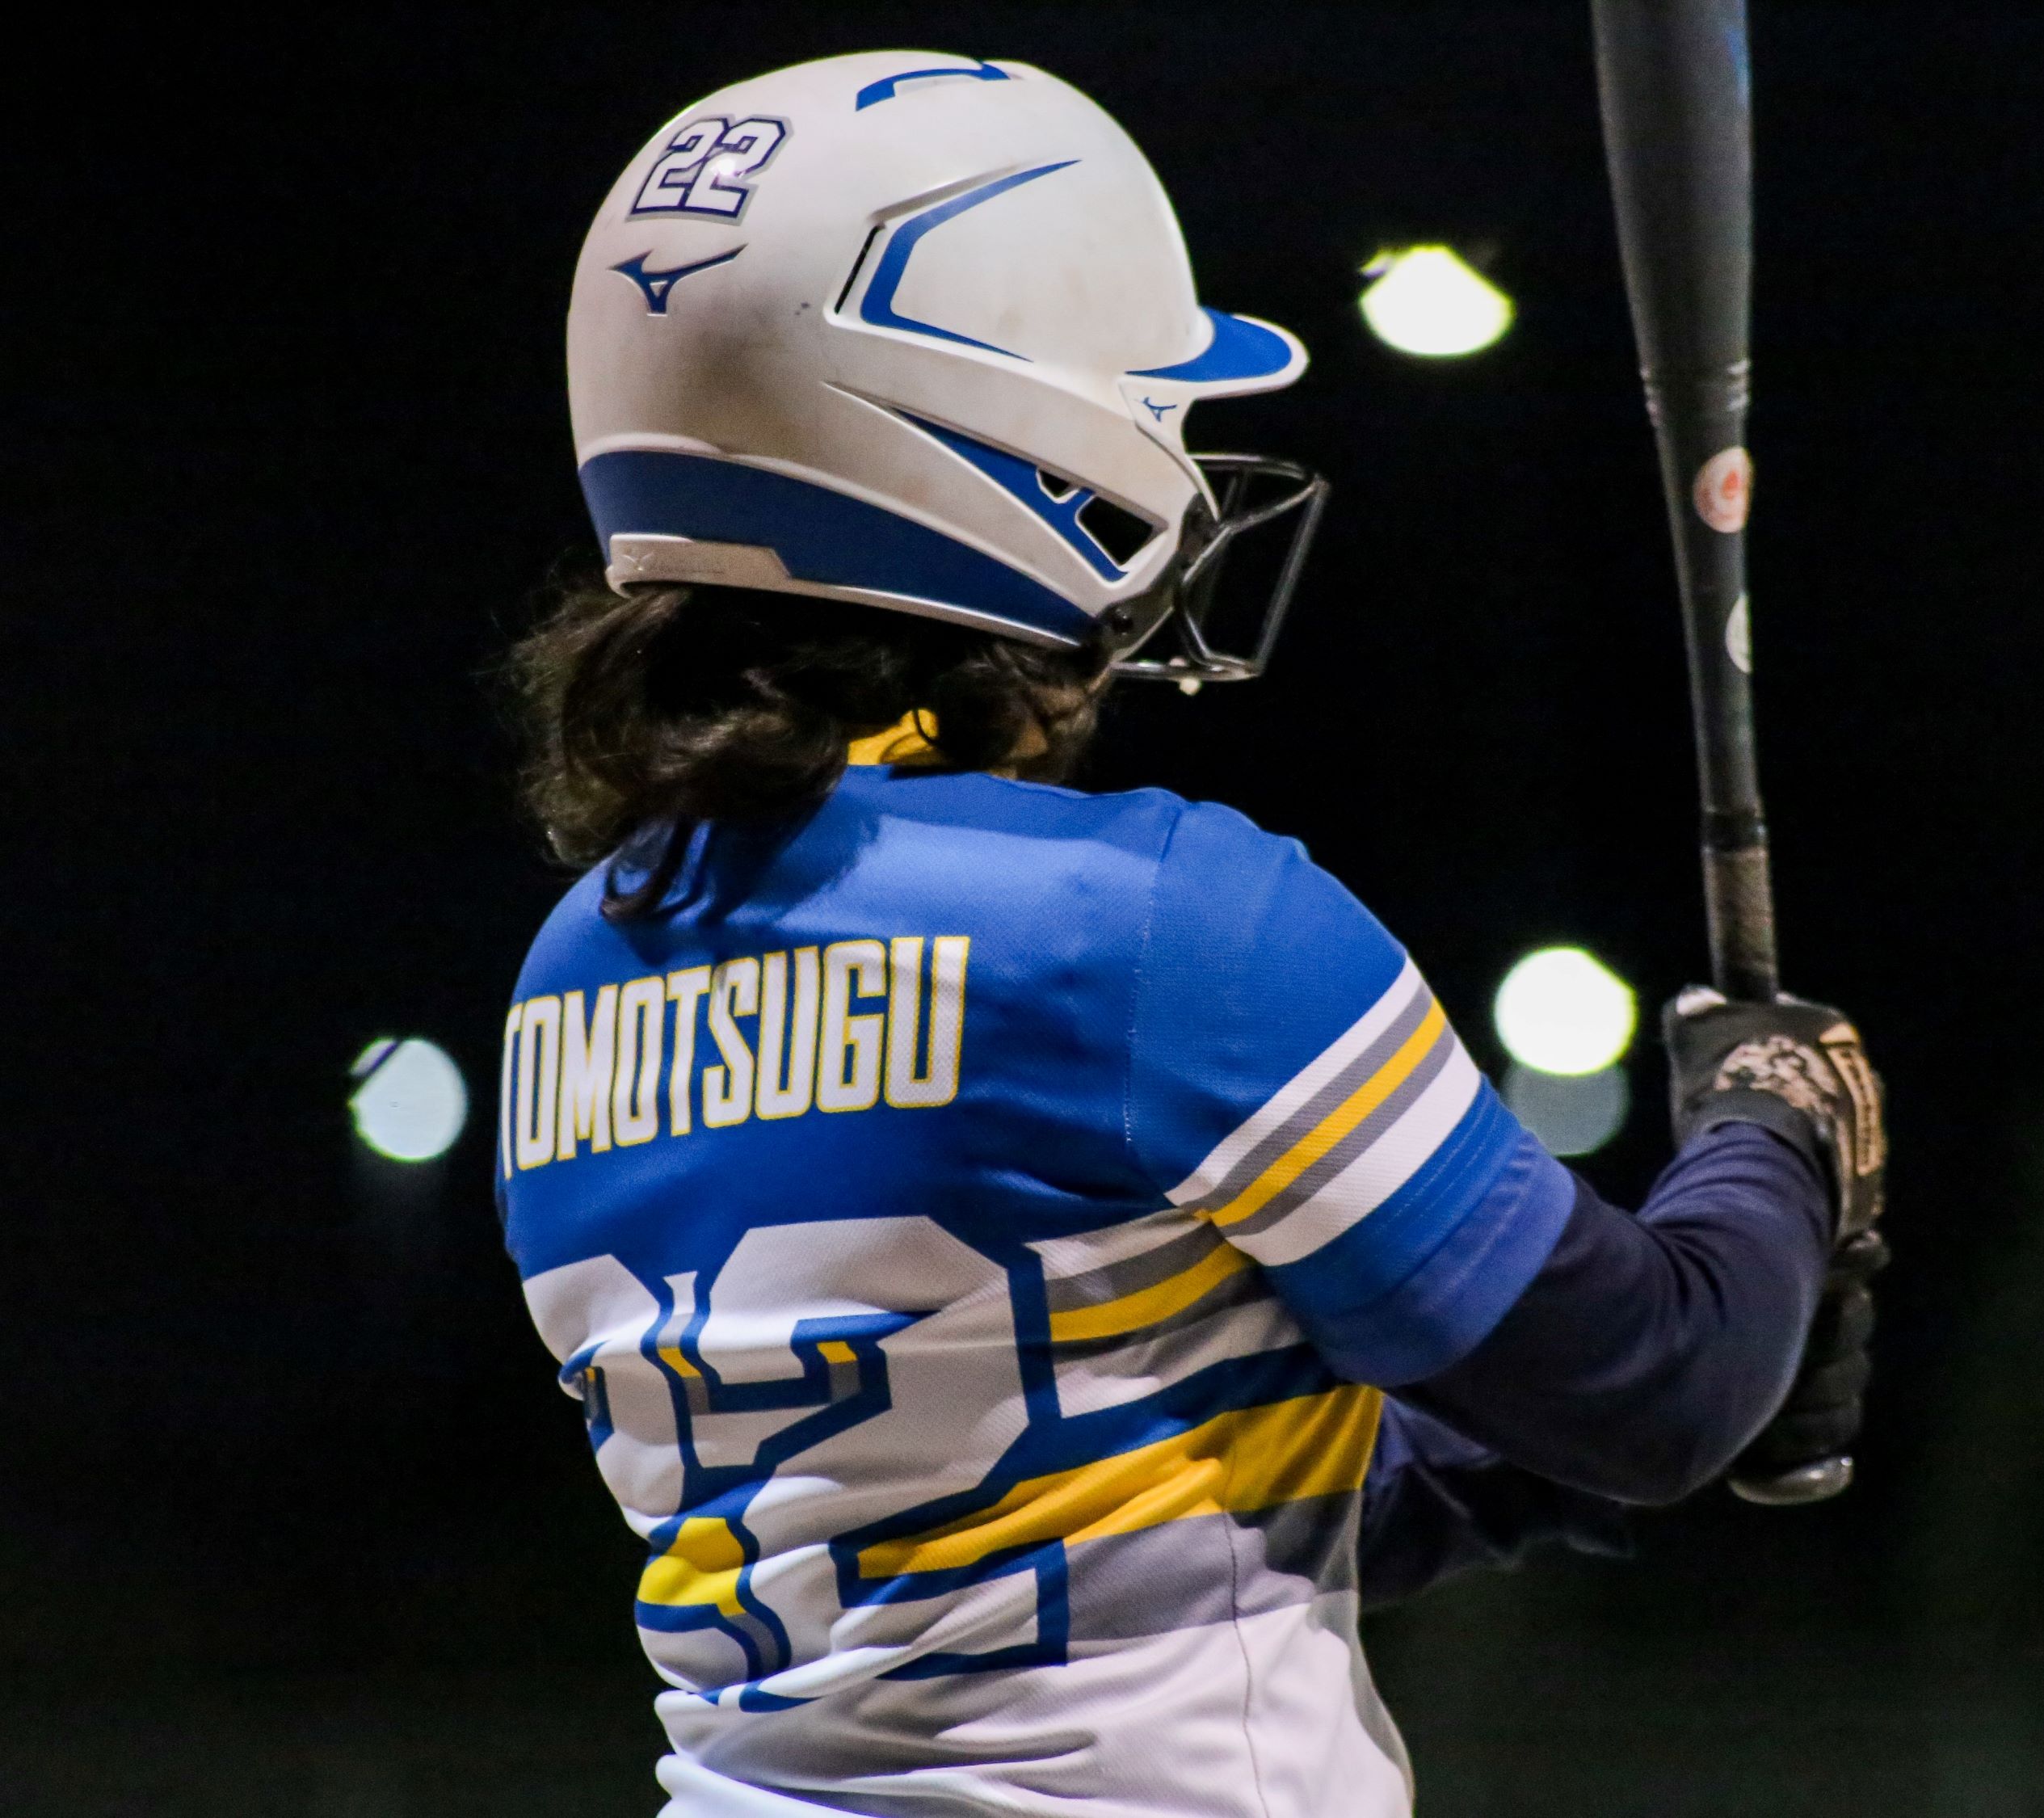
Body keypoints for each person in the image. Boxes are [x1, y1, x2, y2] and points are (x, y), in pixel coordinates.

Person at [496, 49, 1886, 1818]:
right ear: (991, 435)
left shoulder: (580, 965)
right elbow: (1653, 1383)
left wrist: (1651, 1392)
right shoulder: (1155, 926)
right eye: (1144, 405)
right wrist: (1776, 1133)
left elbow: (1113, 1499)